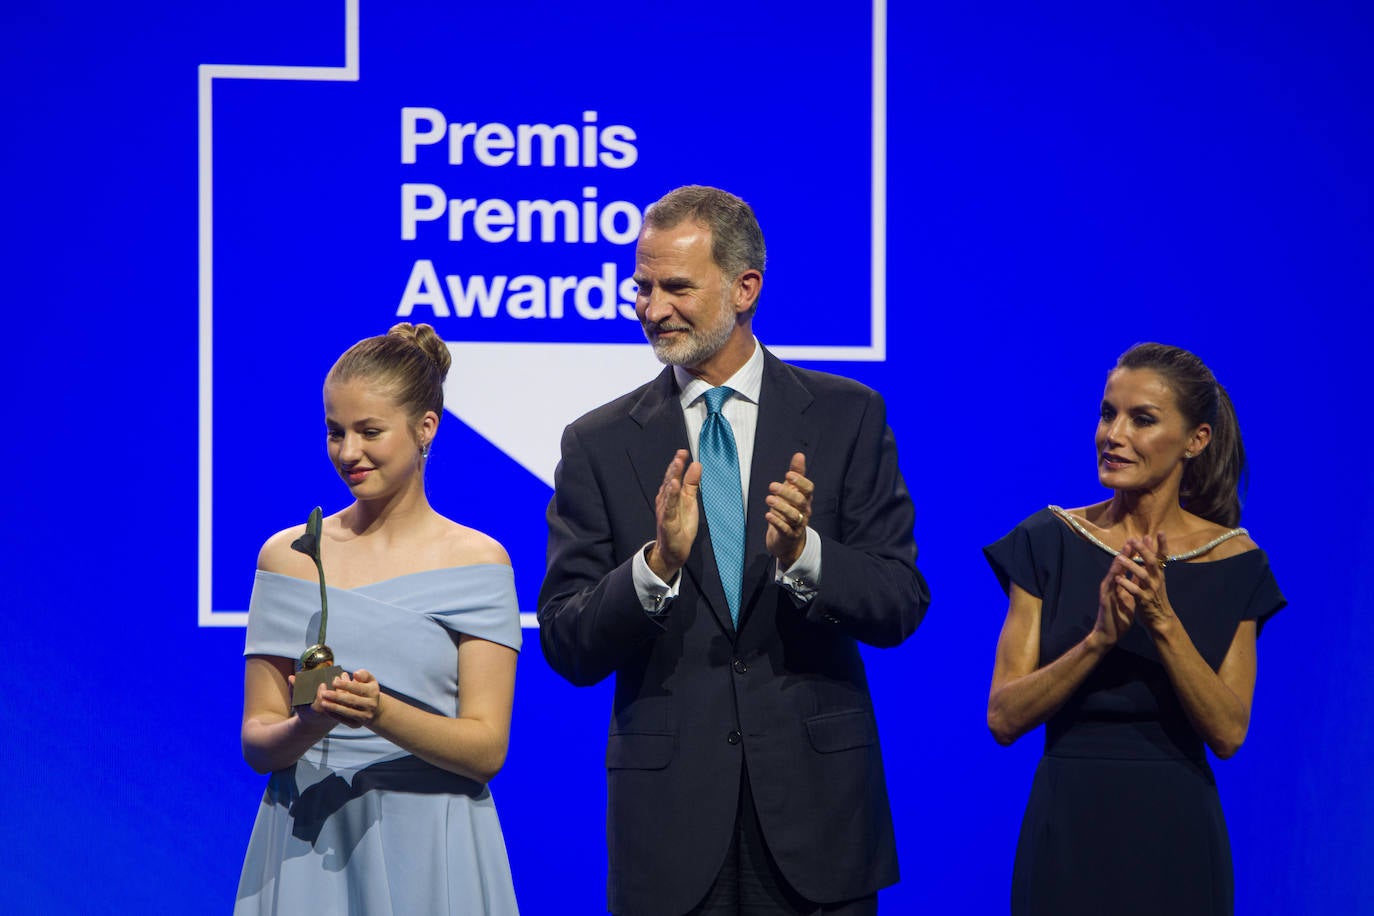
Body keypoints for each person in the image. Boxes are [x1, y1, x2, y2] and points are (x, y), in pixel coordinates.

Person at [538, 185, 930, 916]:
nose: (654, 309)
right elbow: (566, 639)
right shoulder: (598, 442)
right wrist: (654, 569)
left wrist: (807, 555)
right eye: (642, 287)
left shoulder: (847, 416)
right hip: (670, 830)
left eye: (676, 287)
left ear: (746, 287)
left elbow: (900, 600)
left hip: (819, 825)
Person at [984, 342, 1286, 915]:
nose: (1113, 434)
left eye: (1142, 419)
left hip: (1176, 837)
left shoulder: (1238, 563)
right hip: (1068, 829)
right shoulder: (1048, 541)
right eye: (1107, 413)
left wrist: (1161, 621)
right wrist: (1099, 638)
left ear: (1196, 440)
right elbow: (1003, 716)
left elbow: (1228, 733)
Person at [235, 323, 522, 915]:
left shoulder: (478, 561)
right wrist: (311, 724)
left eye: (370, 432)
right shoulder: (288, 556)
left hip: (435, 842)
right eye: (335, 432)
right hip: (309, 839)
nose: (348, 453)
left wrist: (380, 713)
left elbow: (487, 748)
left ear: (425, 428)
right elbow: (259, 741)